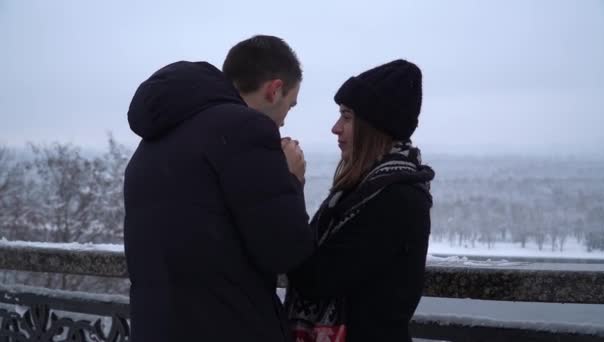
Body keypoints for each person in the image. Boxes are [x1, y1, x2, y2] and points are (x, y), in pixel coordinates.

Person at [123, 35, 315, 342]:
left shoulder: (154, 141)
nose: (282, 122)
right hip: (227, 326)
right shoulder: (247, 129)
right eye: (289, 106)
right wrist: (292, 178)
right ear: (274, 89)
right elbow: (284, 250)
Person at [286, 59, 435, 342]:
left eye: (347, 117)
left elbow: (314, 278)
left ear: (374, 125)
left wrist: (291, 187)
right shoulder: (368, 188)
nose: (335, 128)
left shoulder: (395, 198)